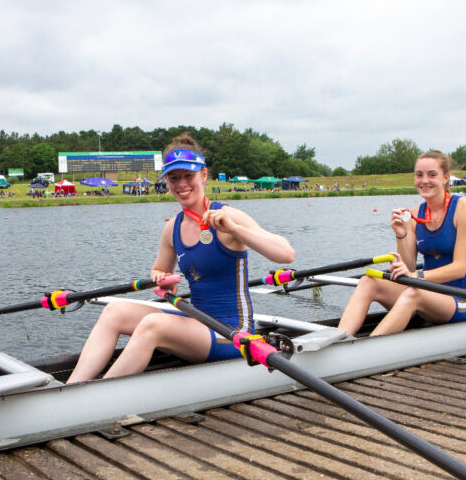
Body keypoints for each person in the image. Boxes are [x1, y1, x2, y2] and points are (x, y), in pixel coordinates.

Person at [67, 133, 296, 382]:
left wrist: (235, 230)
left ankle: (99, 396)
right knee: (114, 311)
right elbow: (160, 273)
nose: (182, 184)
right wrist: (162, 279)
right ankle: (73, 386)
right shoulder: (172, 227)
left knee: (153, 324)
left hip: (232, 333)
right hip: (197, 321)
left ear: (204, 175)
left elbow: (286, 254)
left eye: (189, 176)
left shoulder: (228, 216)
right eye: (174, 178)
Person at [338, 150, 466, 336]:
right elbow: (409, 267)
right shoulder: (414, 215)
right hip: (422, 294)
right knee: (368, 281)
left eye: (432, 174)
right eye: (419, 175)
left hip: (457, 300)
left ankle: (367, 349)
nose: (424, 180)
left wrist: (416, 277)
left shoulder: (465, 209)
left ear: (445, 178)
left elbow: (459, 269)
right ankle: (338, 340)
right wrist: (401, 234)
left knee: (413, 292)